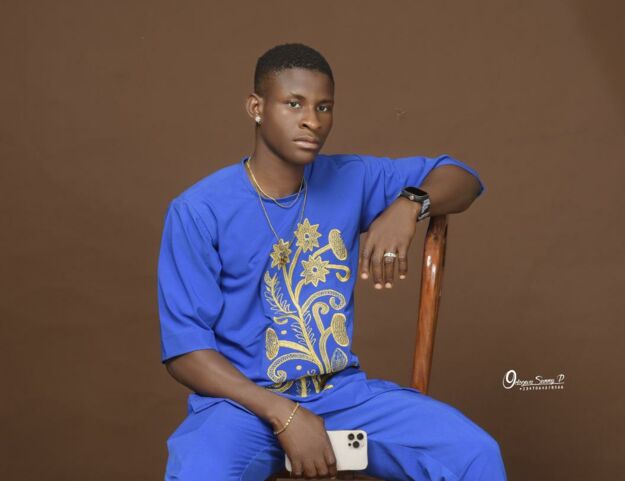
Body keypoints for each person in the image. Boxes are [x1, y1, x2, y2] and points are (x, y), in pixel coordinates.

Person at [158, 43, 508, 481]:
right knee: (198, 472)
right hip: (241, 408)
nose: (313, 120)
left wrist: (410, 204)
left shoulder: (351, 178)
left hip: (341, 398)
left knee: (474, 454)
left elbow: (463, 178)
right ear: (256, 108)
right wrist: (284, 414)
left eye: (324, 107)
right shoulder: (199, 210)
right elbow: (185, 352)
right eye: (294, 104)